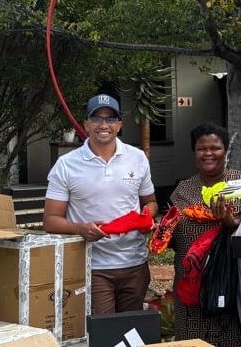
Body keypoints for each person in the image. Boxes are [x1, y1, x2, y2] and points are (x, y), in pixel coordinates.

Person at [44, 94, 158, 314]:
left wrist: (146, 217)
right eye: (96, 119)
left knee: (131, 332)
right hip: (92, 266)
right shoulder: (66, 165)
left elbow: (151, 202)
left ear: (119, 125)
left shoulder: (137, 158)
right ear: (86, 124)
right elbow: (50, 220)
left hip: (134, 264)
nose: (103, 125)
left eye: (110, 119)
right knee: (103, 335)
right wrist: (80, 228)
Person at [169, 123, 241, 347]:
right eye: (201, 149)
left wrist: (232, 224)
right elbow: (174, 235)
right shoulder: (183, 191)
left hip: (234, 282)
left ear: (225, 151)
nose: (208, 153)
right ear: (194, 153)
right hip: (193, 286)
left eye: (215, 148)